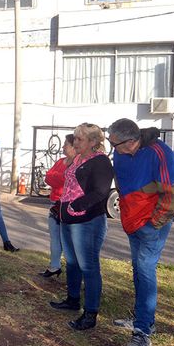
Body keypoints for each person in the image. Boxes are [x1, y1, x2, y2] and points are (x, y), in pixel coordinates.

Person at [107, 119, 174, 346]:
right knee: (138, 269)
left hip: (153, 224)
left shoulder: (160, 152)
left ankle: (142, 333)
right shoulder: (120, 153)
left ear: (130, 142)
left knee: (145, 268)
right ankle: (142, 317)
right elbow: (122, 182)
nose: (112, 149)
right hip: (133, 221)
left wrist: (154, 222)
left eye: (115, 144)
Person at [49, 123, 113, 331]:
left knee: (89, 266)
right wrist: (63, 207)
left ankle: (90, 313)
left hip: (87, 221)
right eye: (75, 138)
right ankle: (72, 299)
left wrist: (78, 206)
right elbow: (68, 187)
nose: (75, 142)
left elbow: (101, 192)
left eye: (79, 139)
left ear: (93, 142)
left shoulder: (101, 161)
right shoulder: (77, 159)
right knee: (72, 263)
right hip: (68, 219)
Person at [40, 133, 76, 277]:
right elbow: (48, 177)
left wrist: (57, 178)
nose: (62, 147)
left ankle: (74, 272)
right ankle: (54, 266)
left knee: (69, 242)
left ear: (74, 147)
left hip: (68, 206)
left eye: (65, 144)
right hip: (55, 204)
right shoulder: (61, 161)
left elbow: (67, 180)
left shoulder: (77, 163)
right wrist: (58, 178)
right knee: (54, 238)